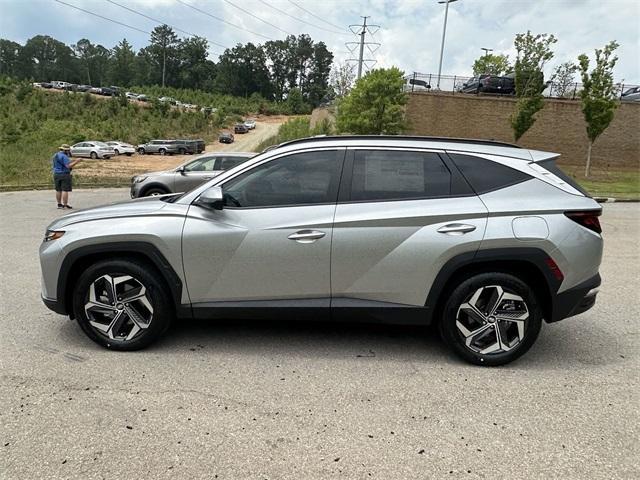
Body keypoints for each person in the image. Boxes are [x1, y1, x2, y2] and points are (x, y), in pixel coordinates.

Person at [52, 144, 82, 209]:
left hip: (56, 174)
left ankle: (59, 204)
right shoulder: (64, 156)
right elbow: (68, 166)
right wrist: (77, 161)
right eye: (68, 150)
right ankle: (65, 205)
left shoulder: (55, 155)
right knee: (65, 190)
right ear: (66, 150)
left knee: (58, 190)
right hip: (64, 174)